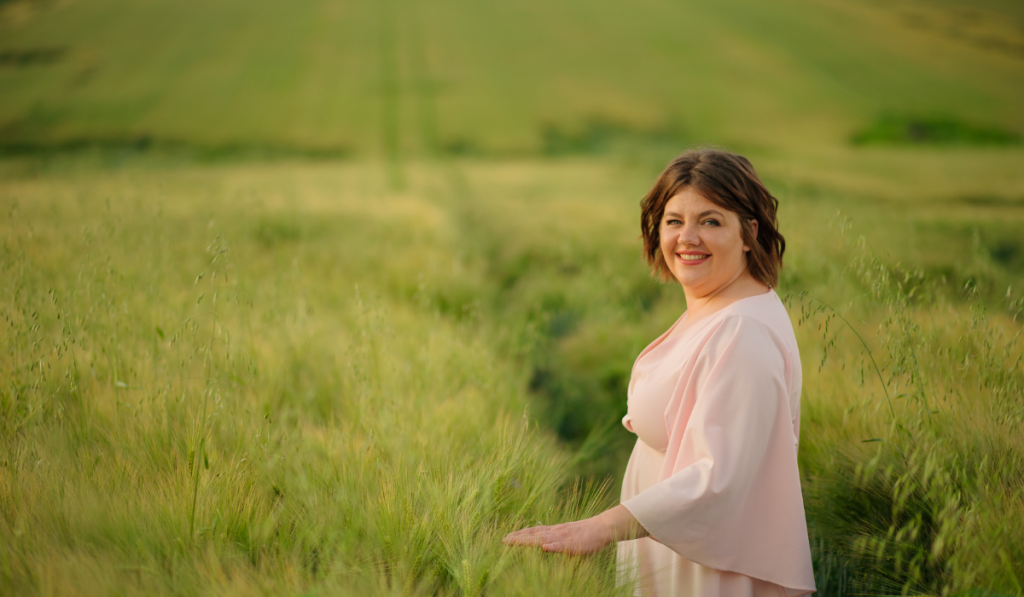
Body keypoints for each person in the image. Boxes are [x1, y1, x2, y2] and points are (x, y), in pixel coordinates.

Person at [503, 149, 816, 597]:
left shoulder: (743, 333)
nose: (687, 237)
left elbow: (719, 477)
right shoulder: (719, 310)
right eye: (674, 221)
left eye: (710, 221)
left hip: (712, 575)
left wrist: (601, 527)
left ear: (749, 232)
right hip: (683, 556)